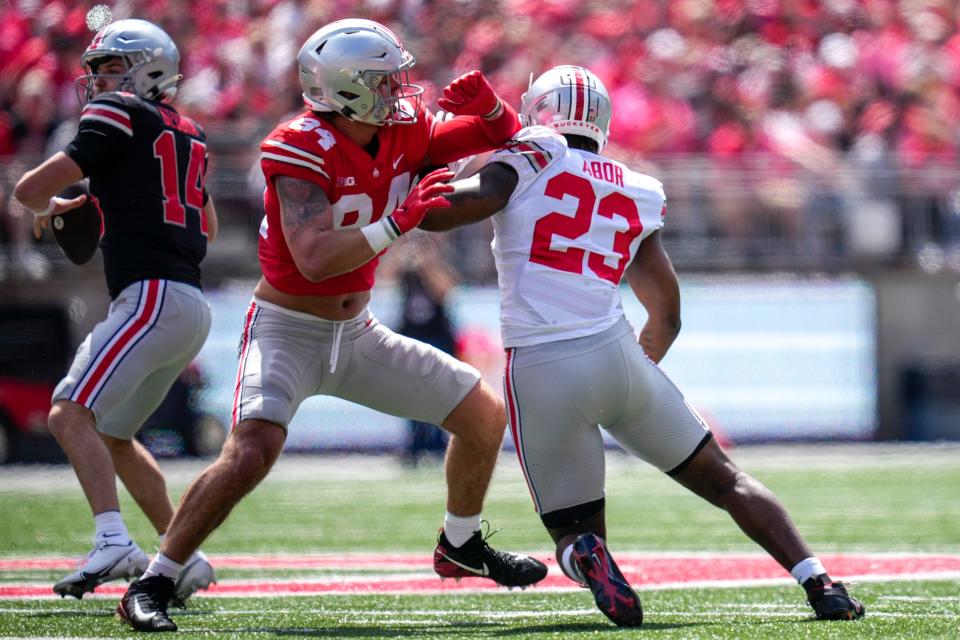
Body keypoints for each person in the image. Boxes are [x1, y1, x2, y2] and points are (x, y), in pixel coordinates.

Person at [117, 19, 547, 632]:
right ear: (346, 89)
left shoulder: (402, 129)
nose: (400, 88)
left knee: (482, 413)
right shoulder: (297, 145)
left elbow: (496, 137)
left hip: (360, 331)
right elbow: (314, 258)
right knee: (252, 451)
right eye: (384, 78)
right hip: (288, 326)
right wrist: (399, 223)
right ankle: (157, 578)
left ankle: (461, 543)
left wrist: (494, 109)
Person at [418, 65, 866, 626]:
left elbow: (444, 214)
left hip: (540, 363)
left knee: (572, 531)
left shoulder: (529, 156)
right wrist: (631, 379)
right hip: (618, 355)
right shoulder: (636, 184)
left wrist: (419, 169)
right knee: (727, 480)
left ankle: (586, 555)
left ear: (538, 112)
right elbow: (667, 313)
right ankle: (820, 582)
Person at [12, 19, 218, 601]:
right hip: (189, 303)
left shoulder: (117, 114)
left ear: (149, 68)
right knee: (114, 435)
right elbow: (209, 221)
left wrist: (54, 205)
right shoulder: (192, 132)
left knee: (67, 414)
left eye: (109, 69)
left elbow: (29, 188)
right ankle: (187, 557)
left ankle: (112, 539)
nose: (98, 81)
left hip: (150, 296)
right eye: (97, 71)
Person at [394, 238, 458, 464]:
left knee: (439, 391)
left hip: (437, 335)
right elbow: (383, 279)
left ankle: (437, 442)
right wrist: (399, 253)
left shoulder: (439, 265)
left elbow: (443, 290)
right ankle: (415, 441)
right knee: (409, 392)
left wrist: (426, 263)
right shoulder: (405, 270)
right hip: (411, 334)